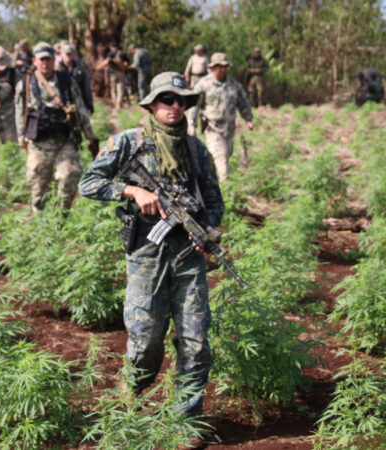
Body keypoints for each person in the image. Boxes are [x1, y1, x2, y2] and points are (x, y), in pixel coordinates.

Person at [79, 72, 224, 419]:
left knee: (196, 342)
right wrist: (132, 191)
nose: (175, 106)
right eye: (167, 99)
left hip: (188, 255)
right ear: (152, 105)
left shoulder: (196, 149)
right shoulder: (127, 143)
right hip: (147, 252)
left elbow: (215, 202)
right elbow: (88, 183)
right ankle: (133, 394)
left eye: (181, 101)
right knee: (145, 341)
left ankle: (187, 420)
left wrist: (209, 233)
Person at [15, 42, 98, 213]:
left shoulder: (66, 81)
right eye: (41, 60)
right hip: (39, 143)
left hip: (64, 140)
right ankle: (41, 219)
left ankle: (61, 215)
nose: (45, 63)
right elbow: (19, 112)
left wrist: (89, 134)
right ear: (34, 61)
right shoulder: (26, 83)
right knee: (38, 185)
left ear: (54, 59)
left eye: (48, 59)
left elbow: (80, 108)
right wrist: (21, 137)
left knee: (70, 174)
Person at [188, 53, 254, 181]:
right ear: (212, 68)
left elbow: (243, 102)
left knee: (226, 156)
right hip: (212, 128)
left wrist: (248, 119)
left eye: (225, 67)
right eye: (219, 67)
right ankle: (227, 190)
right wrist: (192, 125)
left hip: (229, 129)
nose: (222, 69)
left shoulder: (234, 84)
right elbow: (194, 106)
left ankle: (214, 182)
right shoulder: (204, 84)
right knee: (221, 158)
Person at [57, 43, 94, 114]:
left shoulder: (81, 67)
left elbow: (87, 86)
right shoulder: (57, 69)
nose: (68, 57)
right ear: (62, 54)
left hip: (79, 102)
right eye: (66, 54)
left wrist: (89, 103)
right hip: (63, 104)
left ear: (74, 54)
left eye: (70, 54)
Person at [97, 42, 131, 110]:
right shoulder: (122, 53)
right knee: (120, 89)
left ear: (111, 47)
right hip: (121, 73)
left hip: (113, 73)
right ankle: (119, 105)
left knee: (113, 89)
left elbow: (106, 62)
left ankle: (115, 105)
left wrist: (98, 67)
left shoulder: (111, 53)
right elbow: (126, 64)